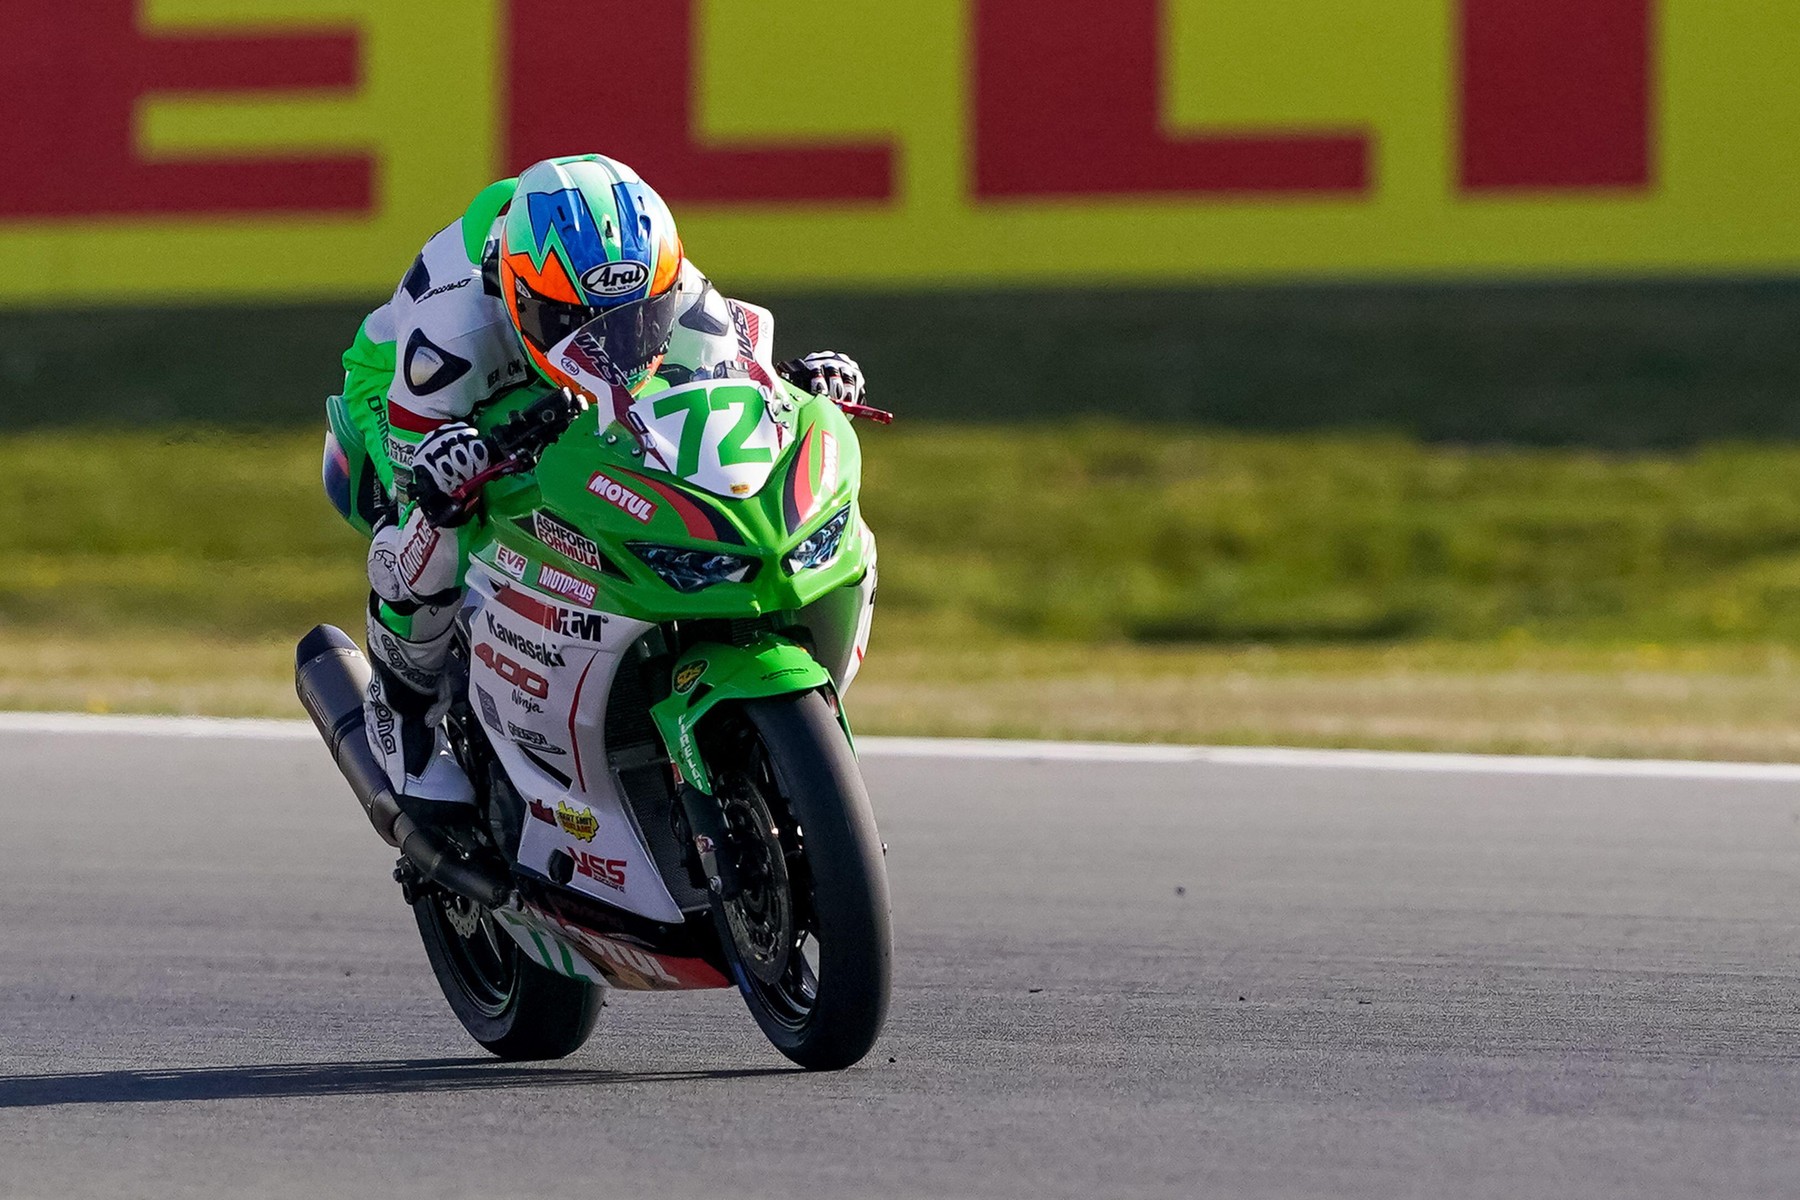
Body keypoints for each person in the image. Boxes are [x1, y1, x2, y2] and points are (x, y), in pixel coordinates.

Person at [321, 154, 869, 822]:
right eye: (576, 321)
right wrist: (444, 471)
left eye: (634, 319)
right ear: (521, 294)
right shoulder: (449, 339)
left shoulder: (677, 286)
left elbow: (742, 385)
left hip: (553, 380)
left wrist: (796, 383)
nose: (611, 343)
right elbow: (419, 478)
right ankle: (401, 712)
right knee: (435, 529)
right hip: (417, 393)